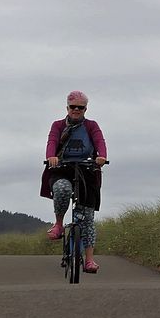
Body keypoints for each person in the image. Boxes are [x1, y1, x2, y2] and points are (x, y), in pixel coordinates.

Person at [40, 90, 108, 273]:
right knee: (61, 189)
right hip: (62, 168)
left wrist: (102, 156)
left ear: (86, 109)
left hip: (87, 169)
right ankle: (59, 224)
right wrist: (51, 156)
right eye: (73, 107)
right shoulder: (58, 125)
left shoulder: (91, 126)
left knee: (87, 218)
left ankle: (89, 260)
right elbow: (52, 141)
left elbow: (100, 141)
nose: (76, 110)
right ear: (67, 108)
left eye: (81, 107)